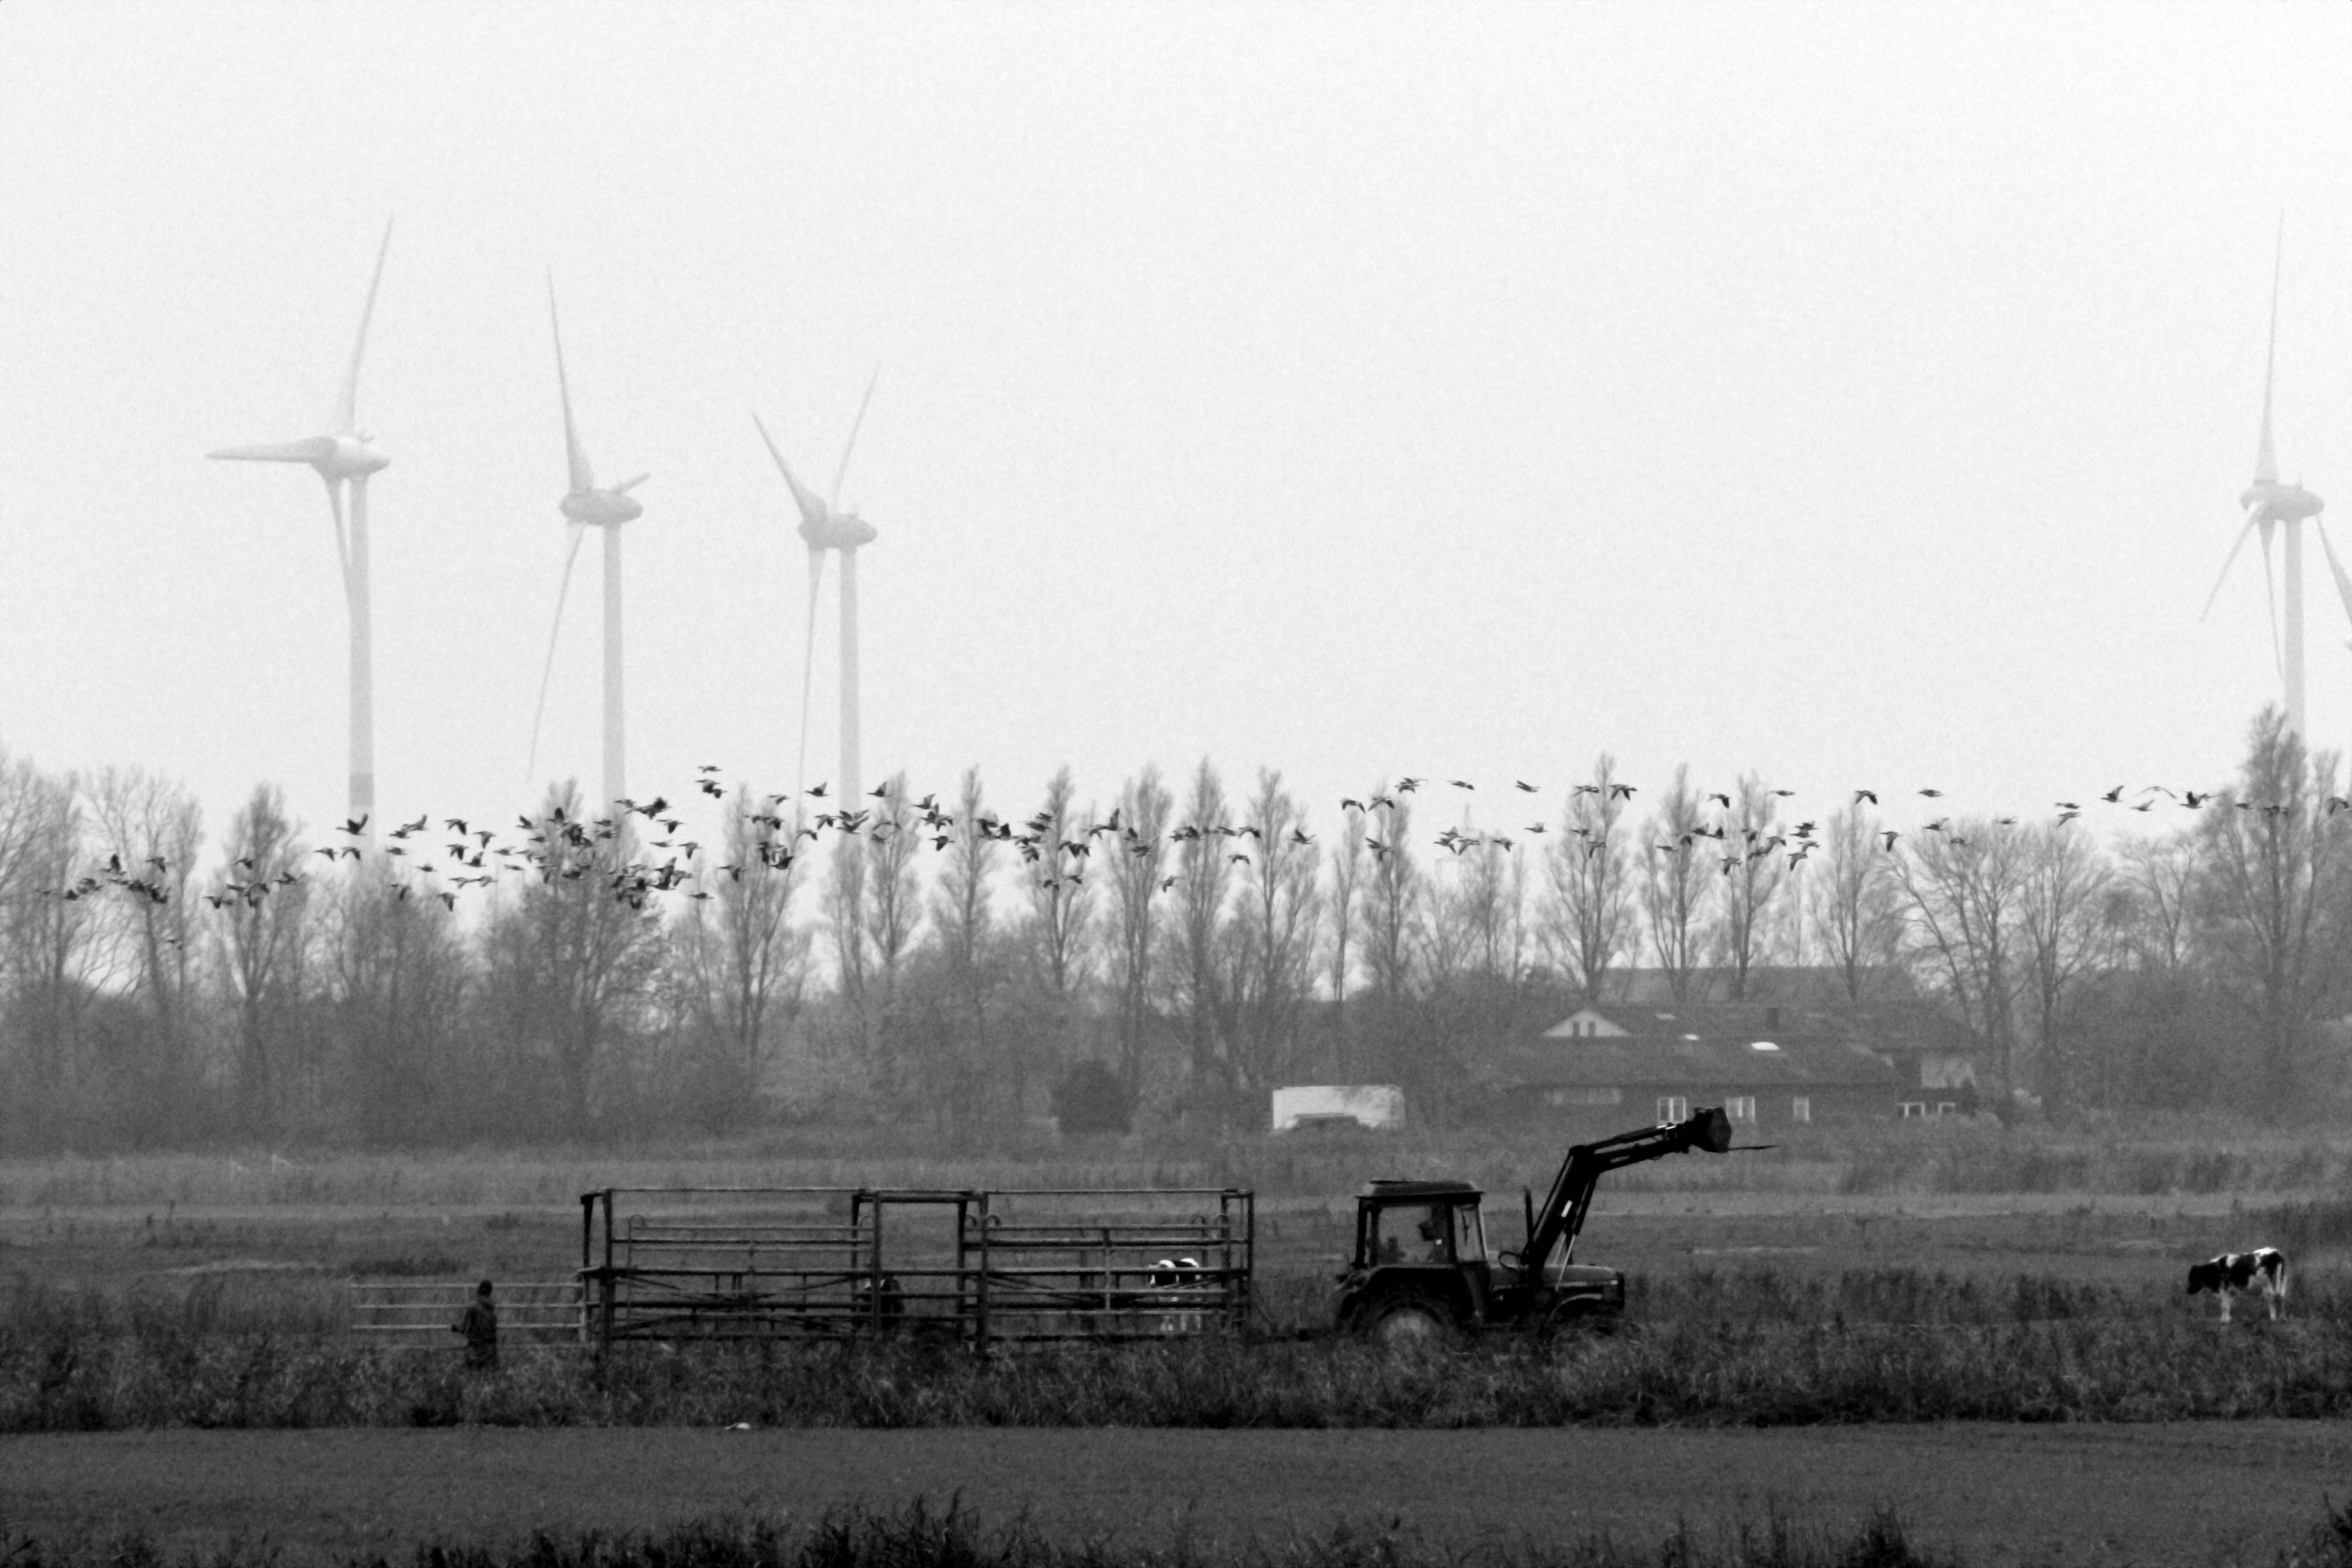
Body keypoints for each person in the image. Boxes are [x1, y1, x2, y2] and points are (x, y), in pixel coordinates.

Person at [453, 1279, 498, 1369]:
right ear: (490, 1292)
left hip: (476, 1345)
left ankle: (474, 1362)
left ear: (478, 1290)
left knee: (462, 1362)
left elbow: (464, 1328)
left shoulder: (473, 1306)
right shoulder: (491, 1307)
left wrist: (455, 1329)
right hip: (490, 1347)